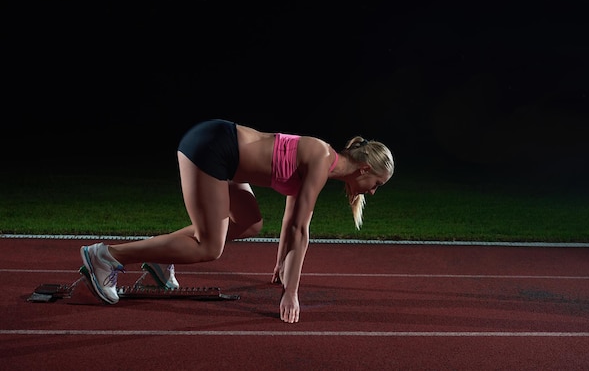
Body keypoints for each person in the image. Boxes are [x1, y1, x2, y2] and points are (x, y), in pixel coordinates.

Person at [80, 119, 394, 323]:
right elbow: (300, 229)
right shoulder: (322, 158)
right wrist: (291, 293)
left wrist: (281, 264)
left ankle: (159, 264)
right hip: (213, 148)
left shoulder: (322, 163)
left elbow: (291, 222)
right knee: (209, 247)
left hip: (222, 150)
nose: (374, 193)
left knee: (249, 222)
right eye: (378, 184)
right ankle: (107, 256)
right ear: (364, 169)